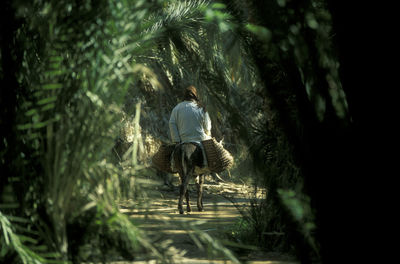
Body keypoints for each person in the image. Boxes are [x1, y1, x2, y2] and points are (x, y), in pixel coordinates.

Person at [169, 85, 211, 168]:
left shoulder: (177, 108)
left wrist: (177, 140)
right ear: (195, 95)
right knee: (212, 153)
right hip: (199, 139)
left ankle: (173, 165)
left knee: (171, 156)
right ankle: (210, 169)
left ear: (184, 96)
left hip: (182, 140)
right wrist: (208, 134)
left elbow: (172, 123)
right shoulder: (201, 108)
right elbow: (207, 127)